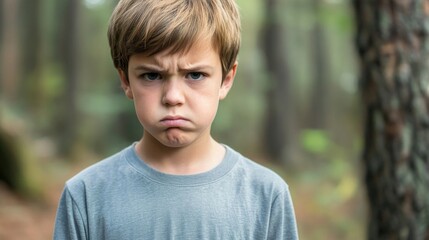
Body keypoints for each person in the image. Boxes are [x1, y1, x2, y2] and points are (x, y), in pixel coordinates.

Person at [53, 0, 298, 239]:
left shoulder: (266, 196)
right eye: (151, 76)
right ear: (126, 80)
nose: (172, 97)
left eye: (194, 75)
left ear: (226, 79)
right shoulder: (86, 196)